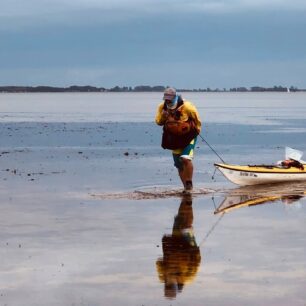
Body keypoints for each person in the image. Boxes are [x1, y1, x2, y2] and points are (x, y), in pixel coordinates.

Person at [155, 87, 201, 193]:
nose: (167, 101)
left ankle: (189, 183)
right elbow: (158, 122)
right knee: (179, 164)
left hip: (189, 137)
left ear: (175, 97)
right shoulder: (162, 107)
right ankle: (186, 188)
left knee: (185, 158)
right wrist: (163, 116)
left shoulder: (187, 107)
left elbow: (197, 119)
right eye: (165, 99)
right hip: (174, 139)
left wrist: (197, 130)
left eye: (169, 99)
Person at [156, 195, 201, 299]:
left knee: (179, 219)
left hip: (175, 241)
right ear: (177, 285)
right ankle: (187, 200)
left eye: (168, 285)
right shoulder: (188, 277)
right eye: (171, 285)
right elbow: (197, 261)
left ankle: (186, 200)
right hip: (189, 244)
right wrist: (196, 250)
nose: (170, 281)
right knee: (187, 223)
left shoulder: (162, 275)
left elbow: (159, 261)